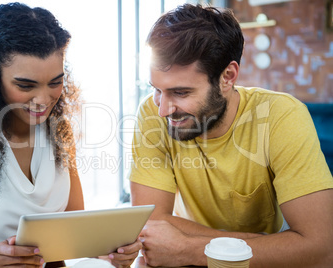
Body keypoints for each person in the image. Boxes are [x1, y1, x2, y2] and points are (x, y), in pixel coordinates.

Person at [0, 3, 140, 268]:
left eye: (55, 82)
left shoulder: (60, 132)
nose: (43, 100)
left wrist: (109, 252)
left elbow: (77, 238)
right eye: (25, 85)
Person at [129, 3, 333, 267]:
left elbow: (321, 249)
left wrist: (190, 249)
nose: (163, 109)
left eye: (181, 93)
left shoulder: (281, 115)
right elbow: (151, 224)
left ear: (228, 76)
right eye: (157, 89)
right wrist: (270, 243)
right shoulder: (151, 111)